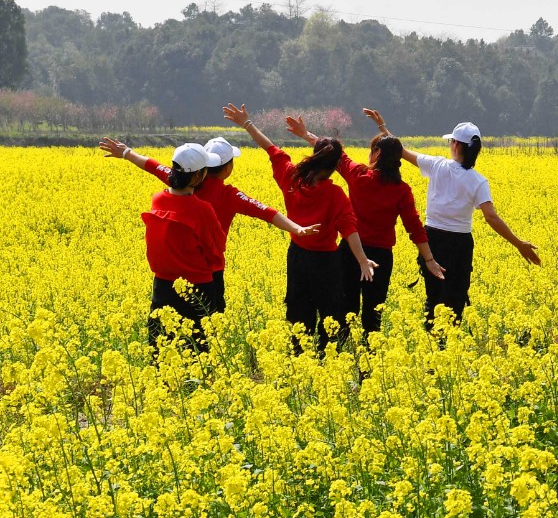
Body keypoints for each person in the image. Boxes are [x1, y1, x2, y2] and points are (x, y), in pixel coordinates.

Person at [223, 103, 378, 353]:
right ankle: (326, 360)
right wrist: (362, 260)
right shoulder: (335, 194)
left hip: (297, 258)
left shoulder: (292, 177)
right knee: (331, 314)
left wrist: (247, 123)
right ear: (334, 166)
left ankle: (300, 357)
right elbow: (349, 229)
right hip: (327, 262)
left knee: (298, 311)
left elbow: (271, 149)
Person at [100, 135, 318, 309]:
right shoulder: (228, 195)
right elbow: (266, 211)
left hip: (168, 275)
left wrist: (126, 152)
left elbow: (152, 165)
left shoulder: (180, 179)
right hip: (206, 273)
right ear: (226, 168)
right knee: (205, 328)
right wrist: (297, 228)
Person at [285, 109, 447, 334]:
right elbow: (415, 228)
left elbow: (333, 154)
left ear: (377, 153)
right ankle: (368, 362)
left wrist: (306, 134)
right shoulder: (402, 191)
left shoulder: (358, 176)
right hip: (381, 257)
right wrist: (428, 259)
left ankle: (341, 354)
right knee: (373, 315)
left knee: (345, 309)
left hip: (350, 251)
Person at [379, 117, 541, 329]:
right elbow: (491, 217)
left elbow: (400, 150)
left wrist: (382, 127)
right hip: (459, 244)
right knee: (454, 299)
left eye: (450, 141)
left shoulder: (436, 165)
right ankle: (447, 345)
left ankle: (432, 347)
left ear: (456, 144)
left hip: (431, 240)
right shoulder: (478, 181)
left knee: (434, 296)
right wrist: (518, 243)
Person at [140, 143, 226, 352]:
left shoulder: (158, 199)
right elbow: (217, 245)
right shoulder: (201, 209)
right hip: (197, 288)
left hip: (162, 286)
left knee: (162, 347)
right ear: (198, 177)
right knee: (197, 349)